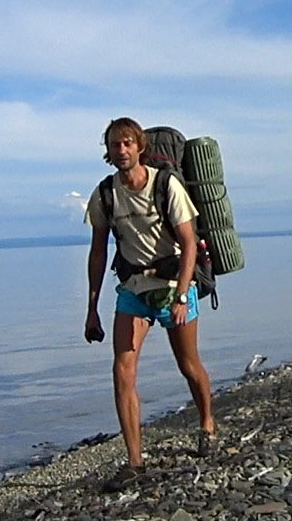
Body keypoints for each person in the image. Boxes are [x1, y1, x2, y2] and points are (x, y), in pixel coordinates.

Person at [84, 117, 215, 483]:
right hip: (133, 289)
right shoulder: (106, 194)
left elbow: (189, 243)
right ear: (108, 152)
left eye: (128, 143)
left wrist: (181, 294)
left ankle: (207, 423)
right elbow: (97, 252)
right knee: (122, 372)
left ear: (139, 146)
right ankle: (135, 461)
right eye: (115, 145)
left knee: (189, 365)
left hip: (174, 282)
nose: (122, 150)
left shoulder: (166, 184)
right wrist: (92, 307)